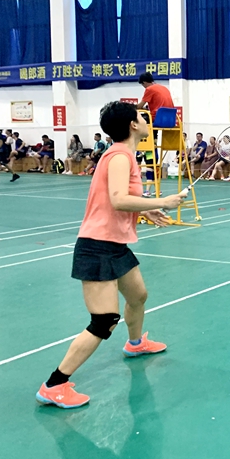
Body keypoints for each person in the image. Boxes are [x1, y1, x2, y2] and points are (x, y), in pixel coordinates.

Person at [35, 101, 187, 409]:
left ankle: (136, 343)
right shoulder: (119, 156)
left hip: (114, 244)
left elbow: (117, 200)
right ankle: (55, 384)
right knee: (104, 320)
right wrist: (164, 202)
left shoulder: (123, 154)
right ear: (133, 125)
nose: (146, 119)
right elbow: (118, 199)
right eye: (142, 116)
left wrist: (145, 211)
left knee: (138, 296)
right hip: (97, 246)